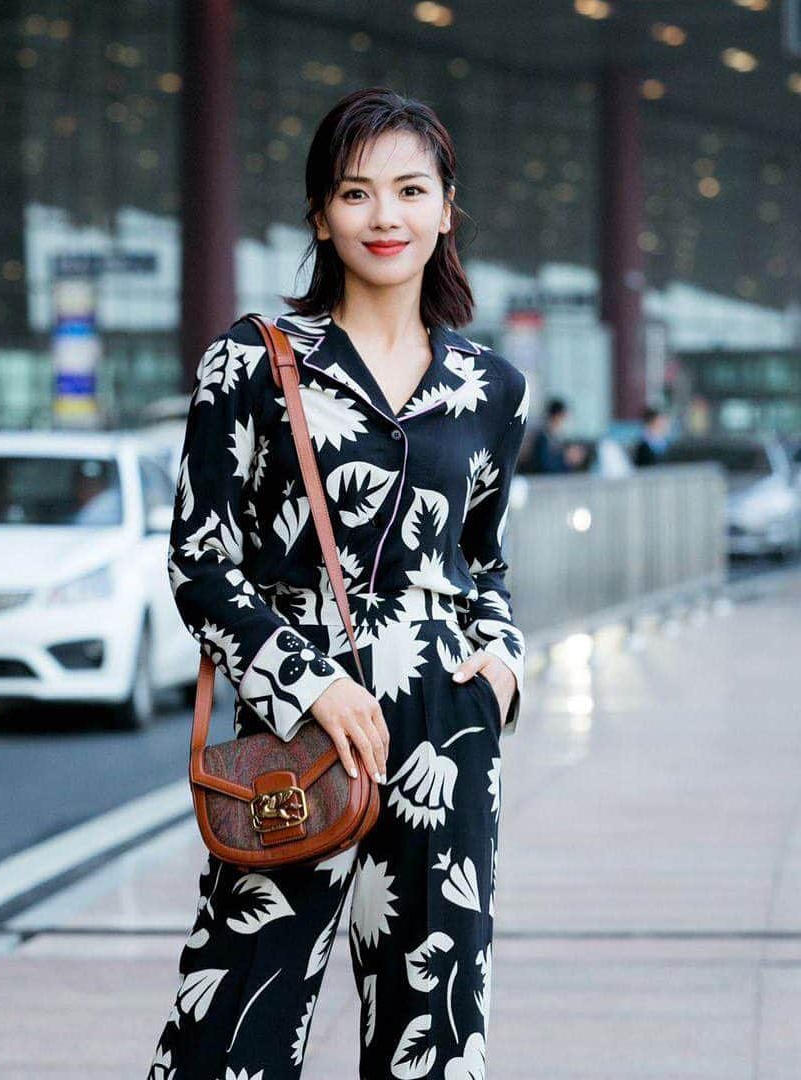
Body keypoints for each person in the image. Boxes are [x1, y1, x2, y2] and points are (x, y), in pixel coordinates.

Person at [148, 86, 529, 1080]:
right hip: (296, 743)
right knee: (230, 1033)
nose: (385, 217)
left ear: (448, 206)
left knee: (432, 1043)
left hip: (446, 737)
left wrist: (501, 673)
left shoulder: (490, 388)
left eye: (410, 190)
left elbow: (484, 561)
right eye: (356, 194)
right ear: (321, 215)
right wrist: (309, 680)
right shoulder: (254, 360)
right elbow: (199, 559)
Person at [524, 396, 586, 473]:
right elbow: (545, 467)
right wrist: (567, 460)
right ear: (556, 416)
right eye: (563, 417)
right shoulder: (541, 438)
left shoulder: (556, 438)